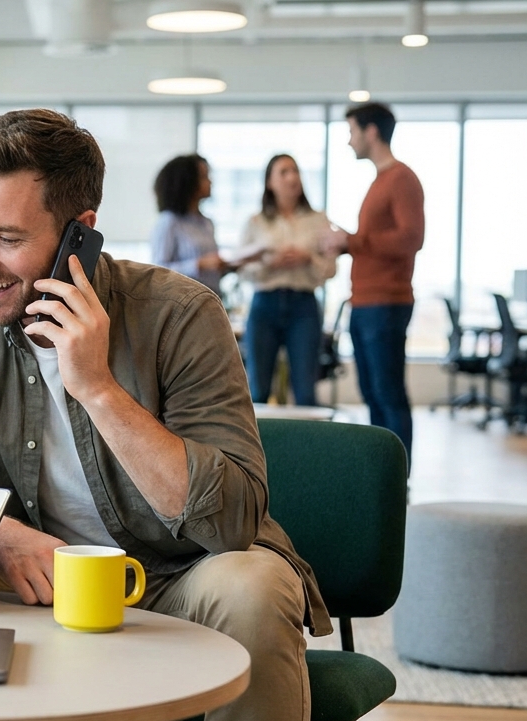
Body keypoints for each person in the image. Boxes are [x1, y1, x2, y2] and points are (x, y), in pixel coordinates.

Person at [0, 109, 332, 721]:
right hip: (37, 579)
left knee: (256, 584)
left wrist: (98, 388)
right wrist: (0, 535)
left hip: (176, 575)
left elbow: (233, 522)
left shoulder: (182, 313)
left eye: (7, 237)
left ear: (80, 234)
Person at [325, 102, 424, 465]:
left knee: (387, 393)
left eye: (352, 131)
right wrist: (347, 243)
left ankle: (399, 478)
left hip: (386, 302)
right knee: (372, 391)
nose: (349, 141)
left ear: (371, 132)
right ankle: (384, 475)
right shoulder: (380, 180)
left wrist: (351, 241)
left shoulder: (401, 179)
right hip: (365, 302)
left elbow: (411, 239)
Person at [236, 154, 339, 405]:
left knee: (305, 391)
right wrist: (268, 264)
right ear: (270, 182)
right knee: (257, 390)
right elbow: (241, 268)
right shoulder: (255, 222)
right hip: (265, 304)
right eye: (283, 172)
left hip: (303, 306)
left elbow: (331, 269)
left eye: (295, 170)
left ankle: (308, 444)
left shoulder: (319, 220)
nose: (292, 177)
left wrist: (308, 259)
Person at [150, 154, 227, 295]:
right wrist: (199, 265)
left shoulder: (206, 223)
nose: (210, 182)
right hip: (184, 302)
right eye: (204, 176)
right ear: (188, 182)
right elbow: (158, 269)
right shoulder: (169, 222)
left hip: (212, 297)